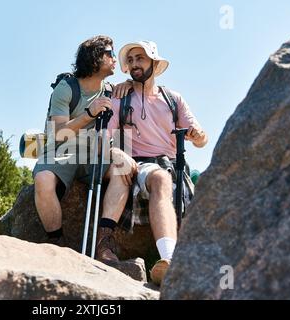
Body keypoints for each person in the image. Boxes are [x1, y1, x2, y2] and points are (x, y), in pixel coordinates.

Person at [95, 40, 208, 286]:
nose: (135, 64)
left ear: (154, 63)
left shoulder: (173, 98)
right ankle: (169, 261)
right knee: (159, 178)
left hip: (175, 166)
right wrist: (116, 152)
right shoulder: (119, 98)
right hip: (141, 165)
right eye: (131, 60)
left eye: (140, 58)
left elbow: (201, 138)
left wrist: (198, 136)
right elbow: (102, 140)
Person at [33, 35, 131, 246]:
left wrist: (130, 83)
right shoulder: (66, 88)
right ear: (95, 57)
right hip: (61, 151)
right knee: (43, 179)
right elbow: (58, 133)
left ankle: (105, 242)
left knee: (122, 170)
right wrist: (88, 114)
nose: (115, 58)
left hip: (93, 153)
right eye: (110, 53)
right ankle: (56, 244)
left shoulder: (110, 90)